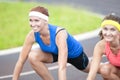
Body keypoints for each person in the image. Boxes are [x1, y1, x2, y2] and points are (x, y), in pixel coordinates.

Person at [12, 6, 90, 80]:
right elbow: (20, 61)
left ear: (45, 20)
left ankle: (100, 66)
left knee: (95, 69)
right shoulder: (32, 35)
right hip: (54, 53)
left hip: (75, 55)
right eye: (31, 20)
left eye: (36, 20)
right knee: (33, 56)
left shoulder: (59, 34)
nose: (33, 24)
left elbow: (62, 67)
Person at [87, 13, 120, 80]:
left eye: (112, 29)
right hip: (117, 71)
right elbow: (93, 70)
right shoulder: (100, 45)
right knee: (105, 69)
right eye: (105, 29)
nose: (108, 33)